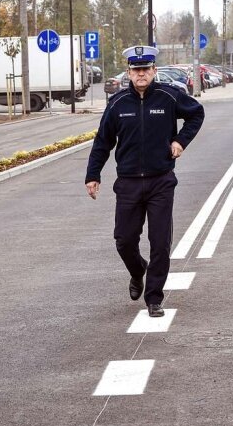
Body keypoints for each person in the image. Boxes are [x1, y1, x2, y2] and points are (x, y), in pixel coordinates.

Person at [85, 45, 205, 318]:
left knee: (160, 241)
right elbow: (103, 142)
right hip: (127, 183)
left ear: (153, 71)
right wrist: (93, 175)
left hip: (161, 180)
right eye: (136, 69)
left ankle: (154, 298)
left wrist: (180, 140)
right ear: (129, 72)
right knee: (124, 241)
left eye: (146, 69)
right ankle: (138, 270)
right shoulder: (117, 104)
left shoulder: (168, 97)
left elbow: (196, 113)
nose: (141, 74)